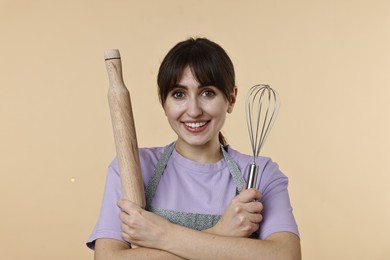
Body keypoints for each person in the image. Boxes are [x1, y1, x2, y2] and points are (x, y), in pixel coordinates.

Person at [87, 37, 301, 259]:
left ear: (231, 98)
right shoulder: (132, 167)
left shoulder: (262, 172)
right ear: (164, 102)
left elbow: (286, 256)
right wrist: (220, 233)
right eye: (179, 94)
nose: (194, 110)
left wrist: (164, 236)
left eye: (207, 92)